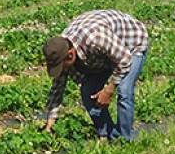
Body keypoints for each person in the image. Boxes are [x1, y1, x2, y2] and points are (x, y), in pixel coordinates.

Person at [42, 9, 148, 141]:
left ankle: (126, 140)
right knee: (87, 90)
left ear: (70, 55)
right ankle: (109, 135)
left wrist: (109, 89)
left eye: (61, 66)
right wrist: (51, 121)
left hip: (131, 43)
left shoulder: (95, 38)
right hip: (105, 53)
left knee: (124, 90)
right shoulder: (61, 49)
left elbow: (125, 59)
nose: (62, 69)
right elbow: (58, 87)